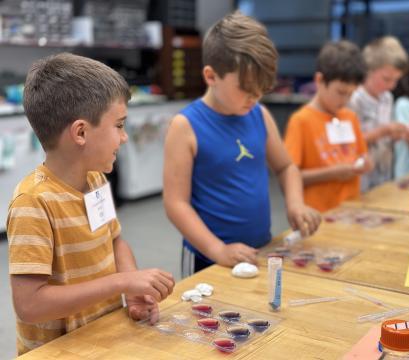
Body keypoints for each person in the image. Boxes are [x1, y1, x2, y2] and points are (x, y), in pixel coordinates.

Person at [7, 53, 175, 355]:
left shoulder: (96, 180)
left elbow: (115, 241)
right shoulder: (32, 203)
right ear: (81, 132)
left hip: (101, 339)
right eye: (119, 126)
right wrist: (122, 282)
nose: (124, 138)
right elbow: (30, 305)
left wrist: (133, 291)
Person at [163, 12, 321, 276]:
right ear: (211, 76)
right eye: (246, 89)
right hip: (208, 258)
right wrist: (217, 250)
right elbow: (175, 203)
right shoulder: (185, 126)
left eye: (260, 89)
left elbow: (285, 167)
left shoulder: (259, 114)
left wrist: (295, 203)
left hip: (259, 249)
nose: (255, 97)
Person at [284, 40, 374, 212]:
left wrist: (366, 163)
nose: (345, 100)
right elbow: (291, 176)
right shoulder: (301, 121)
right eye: (340, 92)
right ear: (319, 80)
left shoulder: (350, 116)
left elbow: (362, 155)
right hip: (318, 214)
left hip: (351, 210)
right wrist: (332, 173)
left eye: (351, 94)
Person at [349, 36, 409, 190]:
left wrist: (396, 134)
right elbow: (351, 141)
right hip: (360, 175)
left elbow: (386, 134)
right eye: (386, 79)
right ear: (368, 71)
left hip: (383, 172)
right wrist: (383, 131)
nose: (391, 85)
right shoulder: (354, 98)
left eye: (396, 80)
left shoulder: (387, 98)